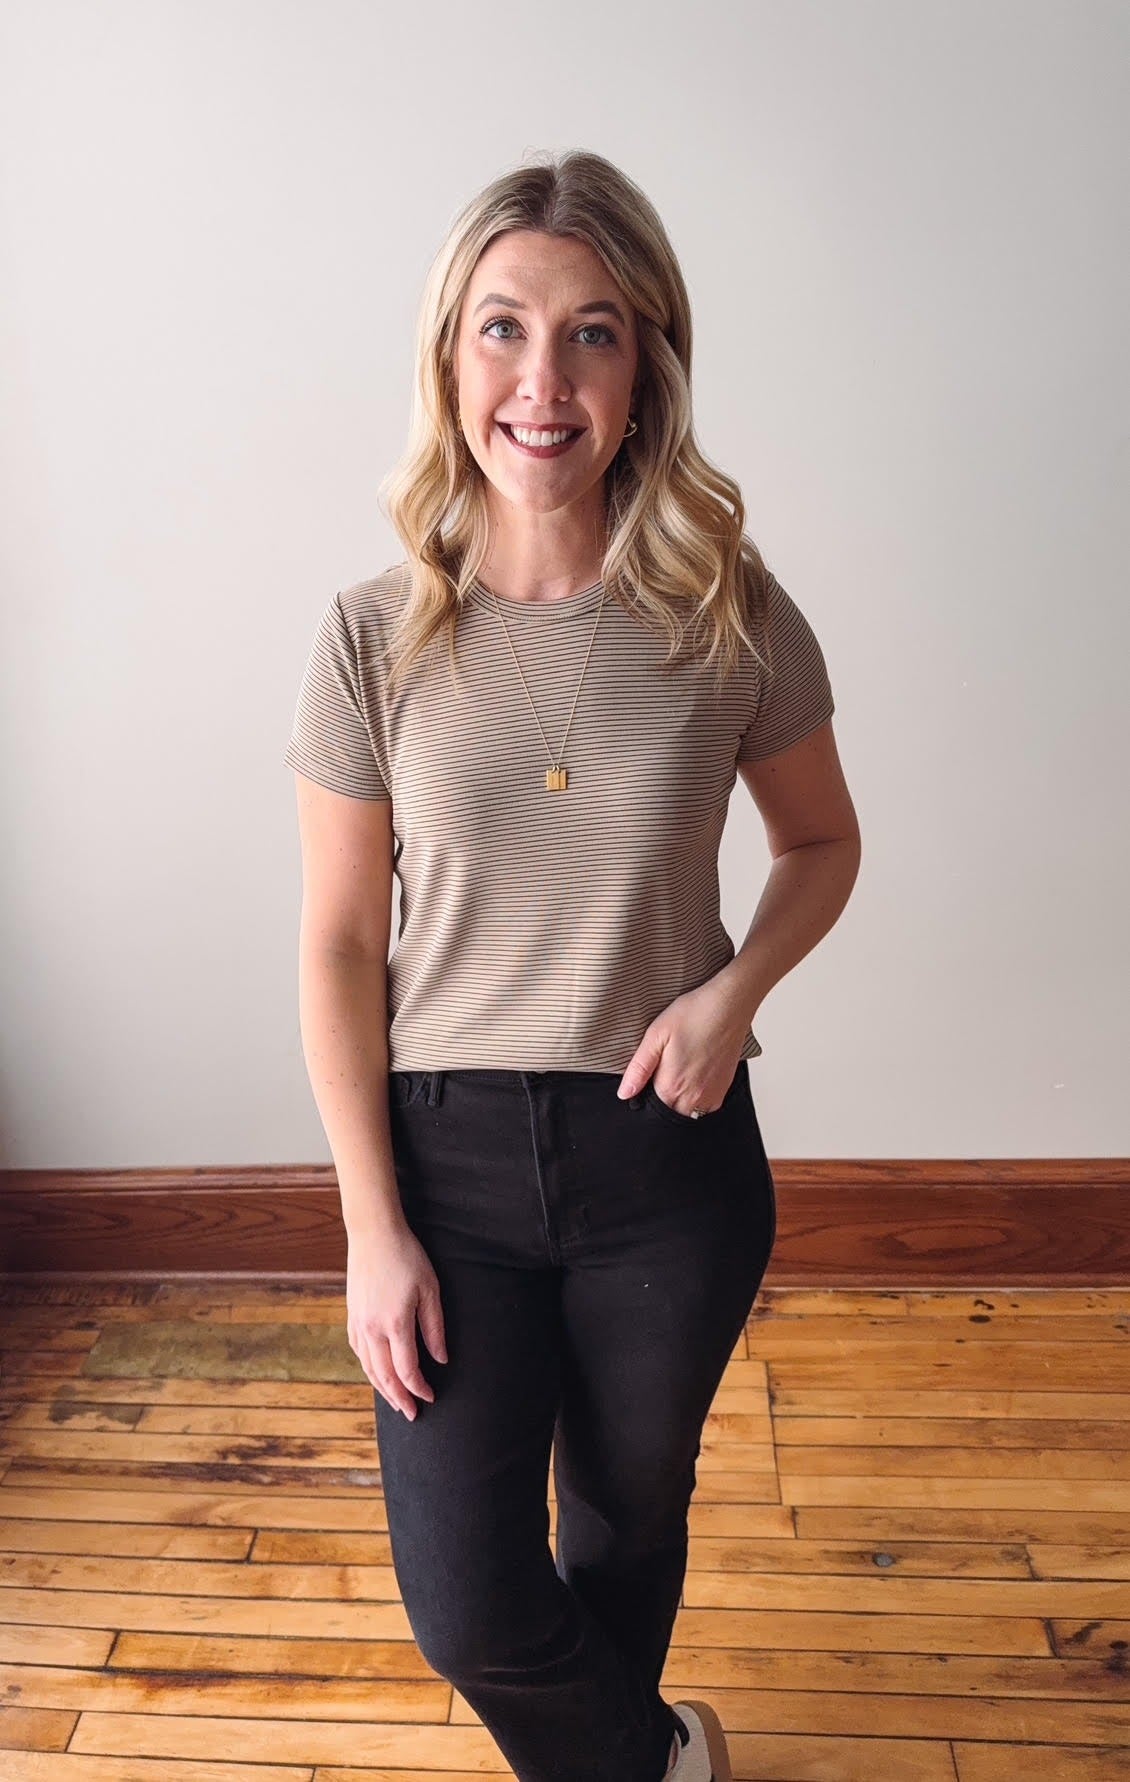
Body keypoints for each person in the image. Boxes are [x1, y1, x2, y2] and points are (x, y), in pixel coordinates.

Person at [284, 150, 861, 1782]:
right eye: (502, 329)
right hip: (442, 1164)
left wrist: (729, 992)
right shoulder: (365, 634)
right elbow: (336, 944)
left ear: (645, 367)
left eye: (593, 334)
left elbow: (824, 846)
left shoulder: (726, 615)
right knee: (467, 1600)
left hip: (662, 1154)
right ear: (448, 356)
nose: (543, 382)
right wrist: (368, 1224)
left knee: (624, 1522)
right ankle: (655, 1762)